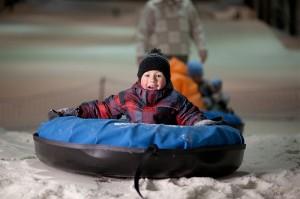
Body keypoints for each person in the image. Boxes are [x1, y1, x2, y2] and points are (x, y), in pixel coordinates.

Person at [49, 49, 215, 126]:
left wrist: (198, 123)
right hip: (134, 142)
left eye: (158, 76)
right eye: (147, 76)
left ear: (166, 79)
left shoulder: (175, 99)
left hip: (163, 144)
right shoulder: (129, 97)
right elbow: (103, 109)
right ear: (140, 78)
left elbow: (189, 114)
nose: (153, 80)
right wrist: (77, 111)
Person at [136, 0, 208, 64]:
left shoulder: (186, 5)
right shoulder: (152, 6)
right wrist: (140, 52)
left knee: (179, 78)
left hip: (181, 53)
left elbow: (196, 28)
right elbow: (143, 31)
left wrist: (202, 47)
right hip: (158, 54)